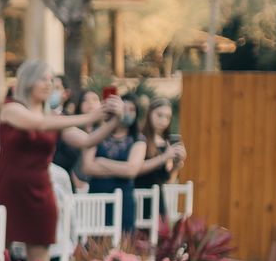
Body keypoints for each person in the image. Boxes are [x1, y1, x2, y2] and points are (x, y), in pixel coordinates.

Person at [0, 61, 116, 261]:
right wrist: (91, 117)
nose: (48, 85)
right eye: (43, 79)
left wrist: (113, 120)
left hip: (39, 191)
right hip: (8, 189)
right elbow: (37, 124)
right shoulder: (11, 108)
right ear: (27, 81)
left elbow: (87, 140)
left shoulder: (55, 117)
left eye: (51, 81)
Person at [84, 100, 146, 231]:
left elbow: (131, 171)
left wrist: (102, 162)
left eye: (132, 109)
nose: (127, 112)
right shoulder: (97, 134)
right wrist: (120, 169)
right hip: (97, 198)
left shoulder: (138, 139)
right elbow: (88, 167)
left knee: (123, 243)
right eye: (124, 108)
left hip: (124, 199)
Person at [54, 89, 110, 188]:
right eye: (85, 100)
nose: (90, 103)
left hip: (98, 187)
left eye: (94, 99)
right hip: (69, 185)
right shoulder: (70, 129)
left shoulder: (105, 132)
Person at [137, 99, 187, 195]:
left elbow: (167, 181)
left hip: (159, 198)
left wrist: (177, 164)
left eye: (168, 117)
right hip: (140, 196)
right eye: (159, 115)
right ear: (150, 113)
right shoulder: (140, 138)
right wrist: (164, 157)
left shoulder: (165, 142)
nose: (163, 120)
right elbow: (135, 169)